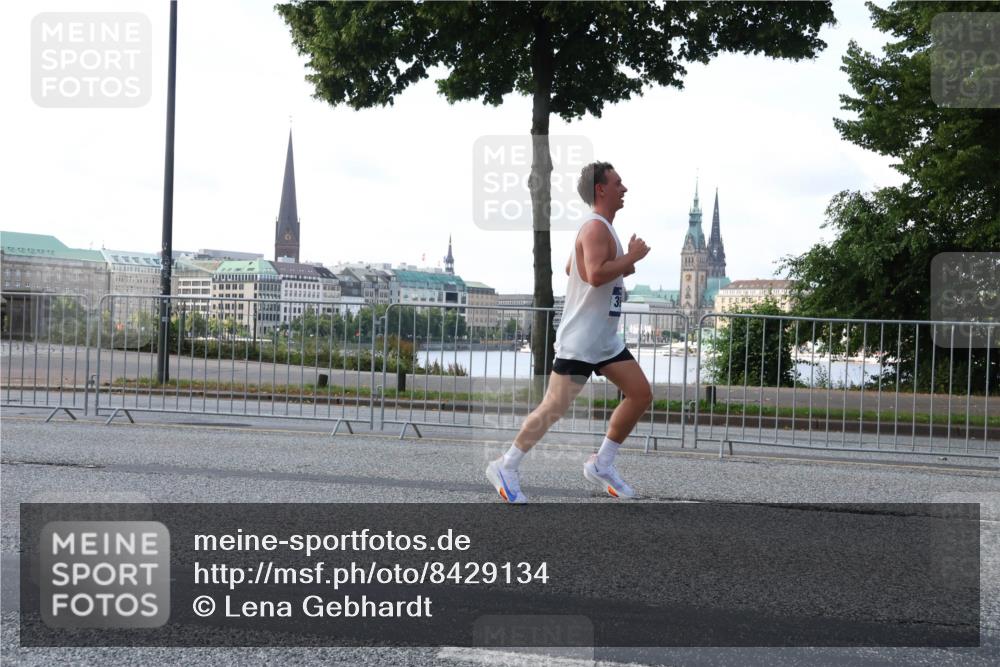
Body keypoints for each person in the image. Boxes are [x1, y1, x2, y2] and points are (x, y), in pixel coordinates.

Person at [486, 161, 652, 503]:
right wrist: (631, 258)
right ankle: (506, 465)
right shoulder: (594, 227)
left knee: (640, 394)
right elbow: (593, 274)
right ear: (600, 189)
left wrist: (622, 264)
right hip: (580, 342)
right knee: (553, 408)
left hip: (604, 341)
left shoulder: (601, 228)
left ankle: (602, 464)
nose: (625, 189)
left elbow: (570, 267)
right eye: (618, 183)